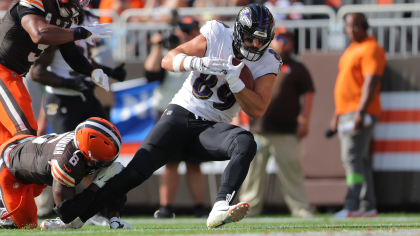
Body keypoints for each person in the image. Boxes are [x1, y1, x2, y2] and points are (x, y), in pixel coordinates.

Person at [42, 3, 282, 229]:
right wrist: (200, 62)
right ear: (238, 32)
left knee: (245, 142)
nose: (253, 45)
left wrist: (235, 80)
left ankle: (220, 206)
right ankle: (74, 217)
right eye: (249, 38)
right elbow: (168, 60)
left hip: (211, 128)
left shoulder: (268, 61)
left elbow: (257, 109)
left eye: (260, 41)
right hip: (181, 114)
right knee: (134, 172)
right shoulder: (218, 35)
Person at [28, 10, 126, 226]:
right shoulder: (58, 27)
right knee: (70, 156)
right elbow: (37, 72)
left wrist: (108, 71)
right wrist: (70, 83)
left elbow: (82, 58)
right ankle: (69, 214)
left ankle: (102, 211)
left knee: (105, 151)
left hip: (86, 97)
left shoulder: (88, 19)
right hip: (62, 100)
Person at [0, 0, 112, 145]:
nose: (79, 4)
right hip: (4, 71)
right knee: (24, 134)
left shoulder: (61, 14)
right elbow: (39, 33)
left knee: (8, 140)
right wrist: (82, 32)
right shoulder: (34, 2)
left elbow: (70, 53)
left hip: (13, 74)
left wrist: (92, 71)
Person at [0, 117, 132, 229]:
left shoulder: (82, 145)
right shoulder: (66, 162)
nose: (106, 163)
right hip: (11, 168)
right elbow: (68, 215)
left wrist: (114, 218)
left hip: (33, 159)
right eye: (103, 160)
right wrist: (98, 183)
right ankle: (3, 209)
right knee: (26, 224)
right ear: (89, 154)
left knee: (113, 174)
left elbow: (116, 184)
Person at [239, 27, 315, 218]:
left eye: (287, 38)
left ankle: (301, 208)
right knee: (252, 173)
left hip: (286, 131)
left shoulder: (298, 68)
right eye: (279, 37)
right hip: (258, 128)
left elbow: (308, 93)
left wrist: (304, 120)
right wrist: (240, 117)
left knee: (292, 171)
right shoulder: (258, 64)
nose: (283, 42)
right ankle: (248, 209)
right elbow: (242, 89)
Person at [146, 18, 208, 219]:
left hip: (195, 113)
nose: (185, 35)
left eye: (189, 31)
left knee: (194, 163)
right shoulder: (169, 54)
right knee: (170, 163)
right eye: (183, 31)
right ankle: (165, 207)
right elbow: (150, 73)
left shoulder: (202, 51)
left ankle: (200, 206)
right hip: (168, 114)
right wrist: (157, 47)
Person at [330, 13, 385, 218]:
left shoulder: (372, 48)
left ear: (365, 26)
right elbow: (347, 84)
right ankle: (368, 206)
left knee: (351, 157)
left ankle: (352, 204)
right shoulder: (352, 49)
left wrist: (361, 111)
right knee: (360, 160)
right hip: (347, 111)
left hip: (360, 111)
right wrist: (337, 114)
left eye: (355, 26)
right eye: (348, 26)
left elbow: (371, 82)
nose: (351, 30)